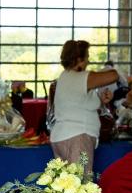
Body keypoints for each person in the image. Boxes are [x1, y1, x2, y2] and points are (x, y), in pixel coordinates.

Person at [49, 40, 120, 172]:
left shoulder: (65, 76)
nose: (89, 61)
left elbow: (80, 103)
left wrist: (101, 100)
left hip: (63, 137)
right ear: (79, 58)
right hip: (78, 139)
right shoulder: (82, 77)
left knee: (66, 186)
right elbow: (114, 75)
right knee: (81, 186)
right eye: (87, 56)